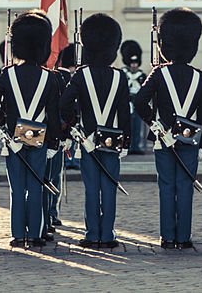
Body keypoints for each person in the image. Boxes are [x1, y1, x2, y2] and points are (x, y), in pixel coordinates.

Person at [0, 10, 61, 248]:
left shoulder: (7, 75)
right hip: (40, 138)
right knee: (35, 187)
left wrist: (6, 126)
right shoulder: (50, 78)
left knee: (17, 189)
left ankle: (18, 234)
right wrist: (54, 143)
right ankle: (35, 234)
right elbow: (54, 116)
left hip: (14, 140)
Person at [135, 7, 202, 250]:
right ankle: (183, 237)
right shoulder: (199, 76)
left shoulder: (158, 74)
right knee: (185, 188)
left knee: (167, 187)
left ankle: (168, 237)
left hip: (163, 139)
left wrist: (153, 123)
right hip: (190, 142)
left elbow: (138, 102)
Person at [60, 14, 130, 248]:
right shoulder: (119, 77)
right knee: (109, 189)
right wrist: (126, 142)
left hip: (88, 141)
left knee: (92, 190)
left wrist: (73, 123)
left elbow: (64, 104)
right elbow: (124, 112)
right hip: (113, 142)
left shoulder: (81, 75)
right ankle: (107, 235)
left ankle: (92, 235)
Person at [45, 43, 76, 234]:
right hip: (39, 130)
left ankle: (51, 212)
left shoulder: (65, 75)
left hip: (57, 131)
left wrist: (66, 129)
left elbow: (69, 104)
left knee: (54, 175)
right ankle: (41, 216)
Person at [121, 40, 147, 154]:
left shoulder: (142, 75)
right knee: (127, 125)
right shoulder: (123, 73)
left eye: (136, 63)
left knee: (138, 125)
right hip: (126, 102)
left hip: (137, 103)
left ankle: (136, 145)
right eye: (132, 63)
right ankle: (127, 145)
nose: (134, 65)